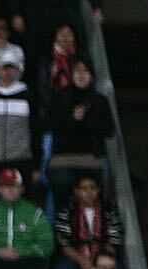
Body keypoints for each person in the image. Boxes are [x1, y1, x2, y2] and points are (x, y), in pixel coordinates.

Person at [51, 173, 122, 269]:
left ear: (98, 190)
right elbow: (63, 242)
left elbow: (114, 240)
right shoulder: (67, 210)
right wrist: (82, 260)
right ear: (77, 191)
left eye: (92, 188)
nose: (89, 193)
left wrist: (99, 262)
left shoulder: (109, 210)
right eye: (84, 189)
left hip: (103, 257)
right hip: (76, 258)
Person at [44, 56, 111, 197]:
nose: (81, 75)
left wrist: (87, 118)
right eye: (77, 70)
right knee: (63, 210)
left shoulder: (100, 101)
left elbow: (109, 130)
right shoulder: (58, 97)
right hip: (62, 160)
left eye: (85, 71)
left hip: (91, 161)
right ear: (71, 74)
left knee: (90, 210)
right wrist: (71, 118)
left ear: (92, 76)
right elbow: (48, 124)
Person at [0, 52, 38, 194]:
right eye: (4, 68)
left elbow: (36, 132)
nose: (7, 72)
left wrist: (36, 167)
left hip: (22, 163)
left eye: (11, 68)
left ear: (17, 70)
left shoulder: (27, 96)